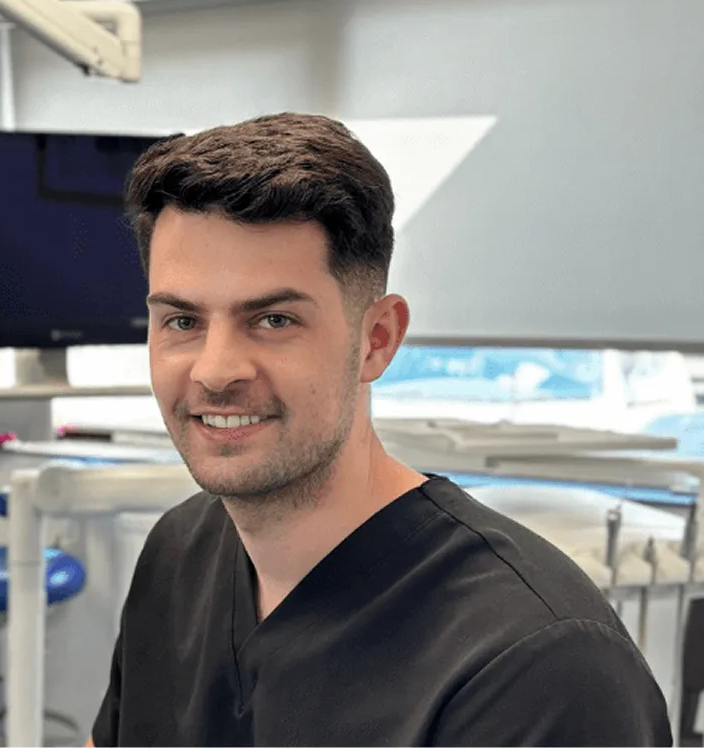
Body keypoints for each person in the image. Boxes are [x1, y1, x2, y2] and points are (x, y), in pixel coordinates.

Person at [88, 113, 673, 747]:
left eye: (275, 320)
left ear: (377, 340)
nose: (217, 370)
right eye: (181, 322)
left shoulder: (537, 663)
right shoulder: (179, 552)